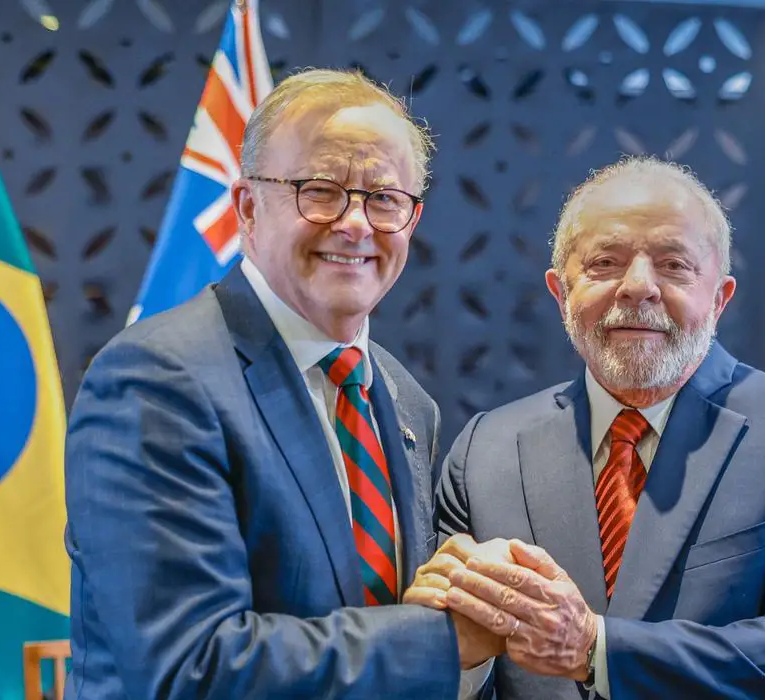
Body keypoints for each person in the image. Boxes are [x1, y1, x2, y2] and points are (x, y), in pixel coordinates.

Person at [63, 68, 499, 700]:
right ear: (247, 208)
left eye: (384, 199)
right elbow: (191, 670)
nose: (356, 223)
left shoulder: (406, 401)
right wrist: (445, 640)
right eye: (319, 190)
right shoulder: (156, 380)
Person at [406, 156, 765, 699]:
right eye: (604, 262)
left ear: (719, 298)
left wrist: (594, 649)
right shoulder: (485, 450)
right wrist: (445, 651)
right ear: (561, 293)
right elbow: (460, 667)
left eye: (674, 265)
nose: (638, 287)